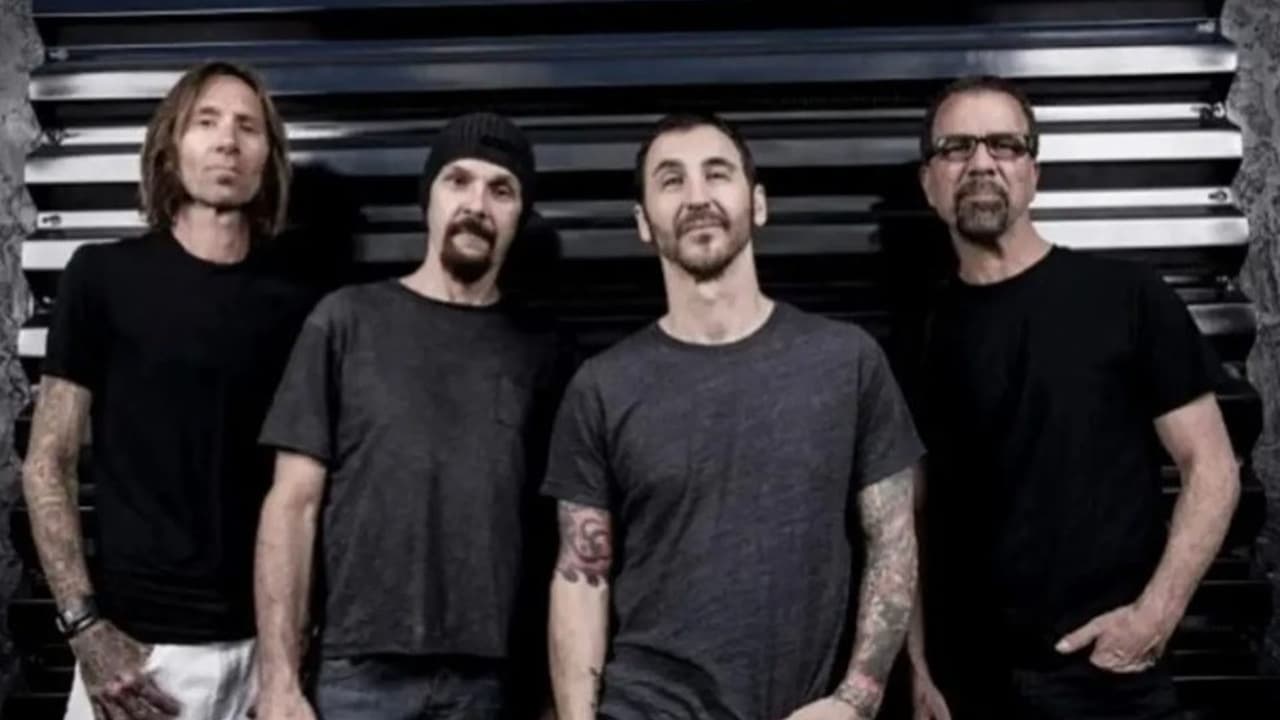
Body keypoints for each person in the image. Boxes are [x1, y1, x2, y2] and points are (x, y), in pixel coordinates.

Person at [543, 113, 924, 720]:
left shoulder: (847, 361)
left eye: (716, 174)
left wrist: (856, 699)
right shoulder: (601, 387)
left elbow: (893, 542)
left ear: (759, 204)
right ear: (642, 221)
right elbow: (581, 576)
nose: (697, 197)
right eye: (671, 180)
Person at [907, 75, 1241, 720]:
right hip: (966, 688)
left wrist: (1154, 618)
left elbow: (1212, 467)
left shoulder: (1128, 297)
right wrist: (916, 667)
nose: (981, 162)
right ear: (929, 182)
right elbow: (907, 519)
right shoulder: (915, 336)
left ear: (1033, 172)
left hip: (1108, 682)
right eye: (956, 147)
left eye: (1004, 144)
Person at [21, 60, 315, 720]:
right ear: (170, 146)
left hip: (263, 658)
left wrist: (292, 655)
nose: (227, 141)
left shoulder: (299, 303)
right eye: (205, 121)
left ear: (268, 157)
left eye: (248, 127)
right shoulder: (101, 276)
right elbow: (47, 462)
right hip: (140, 658)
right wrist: (85, 630)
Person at [253, 112, 572, 720]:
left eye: (501, 190)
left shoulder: (543, 350)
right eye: (458, 180)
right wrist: (278, 680)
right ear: (428, 199)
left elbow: (562, 532)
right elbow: (292, 506)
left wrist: (558, 698)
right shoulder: (345, 320)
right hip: (356, 676)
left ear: (519, 215)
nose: (477, 205)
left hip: (491, 686)